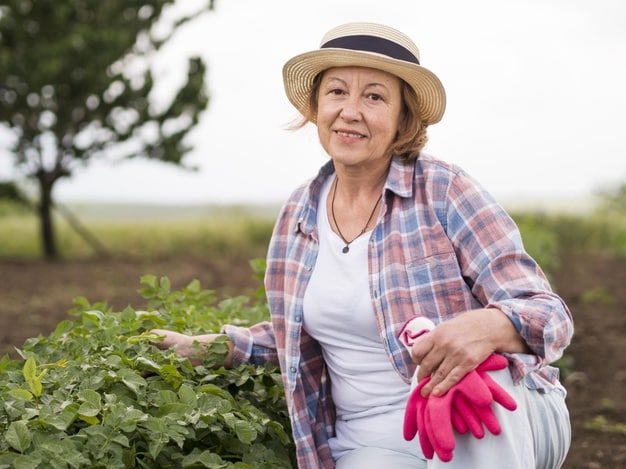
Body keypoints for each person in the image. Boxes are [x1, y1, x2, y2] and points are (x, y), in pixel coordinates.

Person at [152, 22, 573, 468]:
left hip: (496, 415)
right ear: (317, 106)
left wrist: (483, 329)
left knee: (466, 380)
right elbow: (299, 337)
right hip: (373, 442)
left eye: (374, 96)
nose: (350, 111)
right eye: (336, 92)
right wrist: (210, 347)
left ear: (403, 117)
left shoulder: (445, 191)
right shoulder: (299, 214)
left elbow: (550, 315)